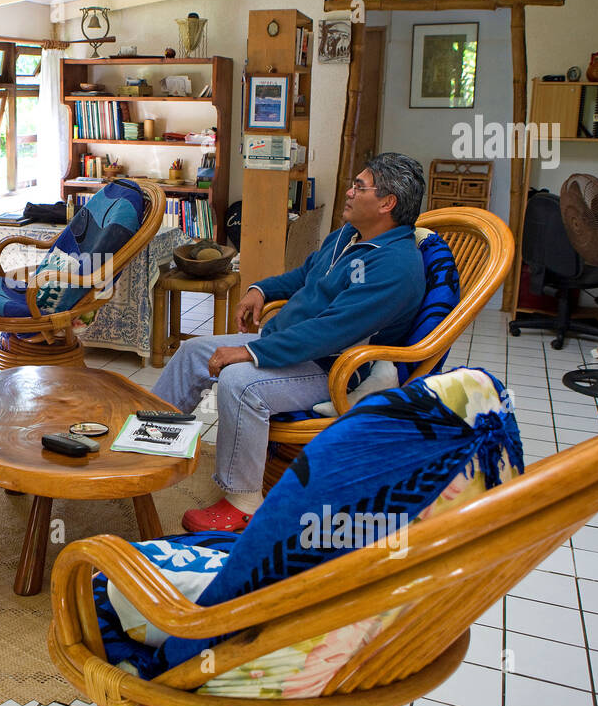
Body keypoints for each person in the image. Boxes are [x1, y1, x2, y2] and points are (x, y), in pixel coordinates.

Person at [151, 151, 428, 532]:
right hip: (292, 346)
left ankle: (243, 502)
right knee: (192, 352)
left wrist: (249, 351)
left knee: (239, 382)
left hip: (333, 368)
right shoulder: (349, 235)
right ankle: (149, 446)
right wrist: (261, 289)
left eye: (359, 187)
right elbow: (305, 275)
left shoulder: (395, 266)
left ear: (387, 203)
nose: (348, 192)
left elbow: (331, 331)